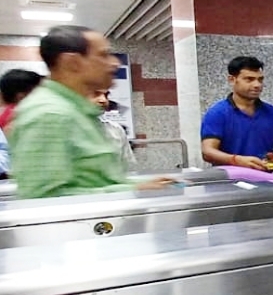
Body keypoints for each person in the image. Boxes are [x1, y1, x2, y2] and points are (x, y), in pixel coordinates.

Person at [9, 25, 172, 199]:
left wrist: (139, 185)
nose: (115, 63)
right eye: (103, 55)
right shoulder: (48, 114)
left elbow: (94, 181)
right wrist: (132, 190)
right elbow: (43, 199)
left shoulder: (79, 111)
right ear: (72, 63)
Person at [201, 56, 273, 170]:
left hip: (266, 181)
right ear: (232, 80)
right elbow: (207, 152)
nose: (257, 85)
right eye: (249, 79)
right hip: (229, 181)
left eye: (260, 79)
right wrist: (237, 160)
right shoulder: (217, 113)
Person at [92, 89, 136, 172]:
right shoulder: (67, 127)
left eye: (106, 95)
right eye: (95, 94)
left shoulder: (115, 129)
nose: (103, 100)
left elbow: (126, 167)